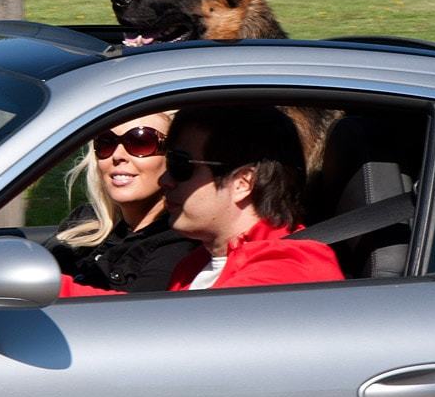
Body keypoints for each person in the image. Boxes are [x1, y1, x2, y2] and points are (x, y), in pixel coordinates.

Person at [60, 105, 343, 297]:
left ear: (243, 183)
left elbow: (163, 336)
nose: (165, 180)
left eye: (181, 166)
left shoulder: (286, 273)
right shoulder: (198, 262)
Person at [47, 112, 196, 292]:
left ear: (171, 157)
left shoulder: (178, 245)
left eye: (141, 142)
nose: (117, 155)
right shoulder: (85, 221)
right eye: (106, 142)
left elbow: (129, 314)